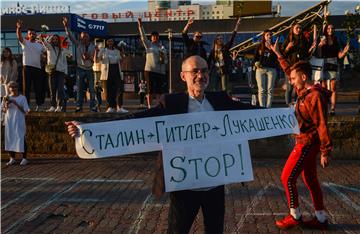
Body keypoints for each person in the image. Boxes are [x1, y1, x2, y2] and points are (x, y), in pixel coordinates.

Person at [66, 55, 257, 233]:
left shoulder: (220, 100)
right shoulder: (172, 103)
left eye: (205, 71)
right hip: (184, 185)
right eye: (195, 71)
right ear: (183, 76)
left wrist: (285, 116)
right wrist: (90, 129)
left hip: (214, 185)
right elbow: (137, 119)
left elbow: (257, 114)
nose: (201, 75)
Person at [270, 38, 333, 230]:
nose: (291, 80)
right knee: (310, 179)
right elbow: (290, 70)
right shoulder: (303, 90)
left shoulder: (313, 97)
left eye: (294, 78)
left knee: (287, 177)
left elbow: (322, 124)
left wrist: (325, 151)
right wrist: (279, 54)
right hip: (306, 140)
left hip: (307, 142)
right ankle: (320, 218)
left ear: (304, 77)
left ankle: (295, 216)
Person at [63, 17, 97, 112]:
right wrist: (66, 27)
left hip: (90, 69)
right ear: (80, 38)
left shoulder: (93, 47)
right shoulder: (78, 44)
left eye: (86, 37)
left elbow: (95, 60)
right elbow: (70, 36)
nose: (84, 38)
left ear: (88, 38)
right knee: (79, 89)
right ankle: (79, 107)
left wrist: (89, 57)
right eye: (82, 37)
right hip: (80, 69)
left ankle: (93, 107)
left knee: (92, 89)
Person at [317, 23, 349, 116]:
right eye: (328, 28)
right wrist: (320, 45)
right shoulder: (323, 39)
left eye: (332, 28)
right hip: (324, 62)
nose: (330, 30)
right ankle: (325, 108)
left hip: (334, 62)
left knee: (333, 87)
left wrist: (344, 52)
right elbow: (318, 53)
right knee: (324, 88)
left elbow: (339, 55)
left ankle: (332, 108)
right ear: (326, 30)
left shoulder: (336, 40)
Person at [137, 17, 168, 109]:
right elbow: (143, 37)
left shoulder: (162, 48)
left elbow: (166, 60)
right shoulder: (149, 45)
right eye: (153, 36)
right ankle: (150, 106)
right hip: (150, 70)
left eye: (157, 36)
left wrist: (163, 61)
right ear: (151, 38)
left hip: (160, 71)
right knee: (150, 90)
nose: (155, 37)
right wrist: (140, 25)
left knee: (159, 90)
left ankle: (158, 106)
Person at [16, 20, 46, 111]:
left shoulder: (40, 45)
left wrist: (44, 58)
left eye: (33, 34)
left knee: (38, 88)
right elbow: (19, 36)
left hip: (37, 68)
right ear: (28, 35)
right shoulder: (25, 42)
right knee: (26, 88)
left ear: (36, 35)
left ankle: (39, 105)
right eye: (30, 34)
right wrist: (18, 28)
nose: (32, 35)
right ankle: (26, 106)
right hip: (27, 68)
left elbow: (46, 53)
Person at [281, 23, 312, 106]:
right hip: (290, 66)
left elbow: (307, 54)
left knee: (298, 87)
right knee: (289, 87)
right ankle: (288, 105)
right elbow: (283, 54)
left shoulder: (303, 39)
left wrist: (310, 50)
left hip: (299, 67)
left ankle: (296, 104)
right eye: (297, 28)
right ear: (292, 29)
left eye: (300, 28)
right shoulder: (288, 39)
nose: (299, 29)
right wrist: (288, 47)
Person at [208, 17, 241, 92]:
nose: (220, 40)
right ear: (216, 40)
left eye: (221, 38)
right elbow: (209, 60)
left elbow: (232, 38)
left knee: (224, 88)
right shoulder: (213, 51)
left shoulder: (225, 48)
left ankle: (224, 100)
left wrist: (237, 26)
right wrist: (208, 70)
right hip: (216, 69)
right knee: (214, 88)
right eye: (219, 38)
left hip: (224, 69)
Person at [95, 38, 128, 113]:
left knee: (119, 89)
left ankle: (119, 107)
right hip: (107, 72)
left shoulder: (117, 51)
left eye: (111, 41)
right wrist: (96, 52)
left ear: (113, 42)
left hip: (116, 70)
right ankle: (110, 107)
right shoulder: (103, 50)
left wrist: (122, 51)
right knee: (109, 90)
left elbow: (122, 60)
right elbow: (97, 60)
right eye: (109, 41)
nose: (110, 42)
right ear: (106, 42)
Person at [1, 81, 30, 166]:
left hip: (19, 121)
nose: (13, 88)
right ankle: (12, 158)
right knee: (10, 138)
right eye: (11, 87)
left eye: (14, 87)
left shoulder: (22, 98)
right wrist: (6, 105)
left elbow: (25, 111)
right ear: (9, 89)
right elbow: (3, 110)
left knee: (20, 138)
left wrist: (15, 103)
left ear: (17, 88)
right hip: (9, 121)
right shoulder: (6, 98)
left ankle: (24, 158)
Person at [41, 34, 72, 112]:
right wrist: (43, 38)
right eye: (53, 39)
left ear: (58, 40)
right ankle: (53, 106)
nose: (55, 41)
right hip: (52, 71)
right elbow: (44, 43)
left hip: (61, 71)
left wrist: (67, 46)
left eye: (56, 39)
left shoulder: (62, 49)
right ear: (51, 40)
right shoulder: (49, 48)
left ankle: (59, 106)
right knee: (52, 90)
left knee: (60, 90)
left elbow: (69, 55)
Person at [253, 30, 278, 108]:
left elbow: (277, 58)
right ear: (264, 36)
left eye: (271, 35)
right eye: (267, 35)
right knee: (261, 89)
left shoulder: (274, 45)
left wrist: (271, 48)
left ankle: (268, 107)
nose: (269, 36)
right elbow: (255, 58)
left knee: (270, 89)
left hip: (271, 69)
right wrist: (256, 63)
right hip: (260, 69)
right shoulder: (260, 46)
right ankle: (262, 107)